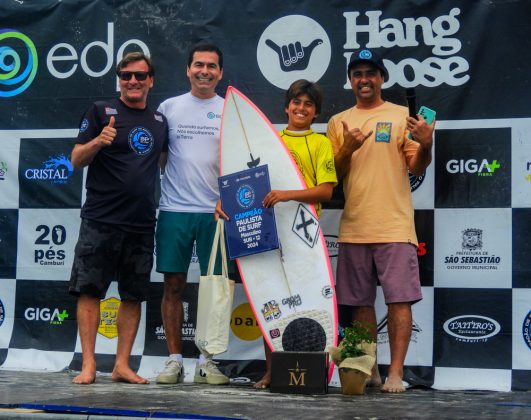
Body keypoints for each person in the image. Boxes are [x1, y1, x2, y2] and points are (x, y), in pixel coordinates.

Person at [216, 79, 337, 389]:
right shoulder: (270, 141)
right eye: (296, 102)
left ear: (315, 113)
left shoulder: (320, 143)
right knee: (272, 302)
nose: (301, 108)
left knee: (306, 302)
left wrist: (286, 195)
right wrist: (224, 201)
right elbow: (246, 184)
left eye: (308, 105)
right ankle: (272, 372)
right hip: (268, 232)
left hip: (302, 236)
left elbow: (325, 191)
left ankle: (310, 372)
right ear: (286, 107)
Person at [326, 49, 435, 393]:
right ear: (350, 80)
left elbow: (417, 167)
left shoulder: (405, 116)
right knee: (359, 304)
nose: (364, 80)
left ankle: (396, 374)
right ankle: (369, 369)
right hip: (355, 225)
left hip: (394, 226)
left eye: (370, 73)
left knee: (398, 300)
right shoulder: (338, 121)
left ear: (381, 79)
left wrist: (427, 144)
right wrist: (348, 148)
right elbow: (334, 177)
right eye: (357, 73)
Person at [69, 52, 168, 385]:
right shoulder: (100, 111)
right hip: (101, 220)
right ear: (119, 80)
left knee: (133, 295)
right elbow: (75, 159)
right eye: (126, 76)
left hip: (141, 223)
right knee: (89, 291)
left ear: (151, 80)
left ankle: (122, 365)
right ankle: (88, 365)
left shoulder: (159, 121)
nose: (133, 82)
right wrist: (99, 140)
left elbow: (167, 164)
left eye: (140, 76)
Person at [155, 43, 230, 385]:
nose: (204, 71)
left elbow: (240, 160)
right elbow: (156, 156)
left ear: (220, 73)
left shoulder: (229, 110)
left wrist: (228, 197)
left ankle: (206, 361)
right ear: (187, 69)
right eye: (198, 64)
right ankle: (174, 361)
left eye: (211, 66)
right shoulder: (168, 108)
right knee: (173, 285)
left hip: (216, 213)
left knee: (214, 288)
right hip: (174, 209)